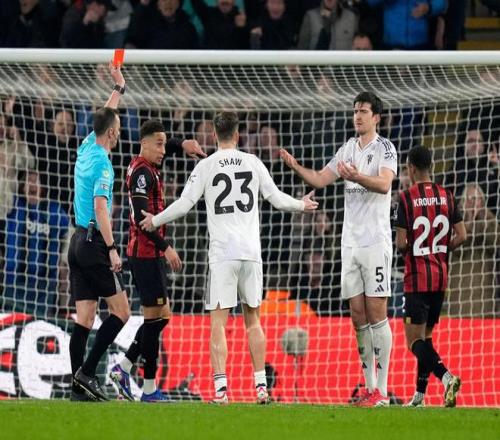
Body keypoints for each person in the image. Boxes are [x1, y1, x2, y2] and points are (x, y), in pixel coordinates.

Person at [140, 111, 318, 404]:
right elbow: (276, 198)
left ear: (214, 135)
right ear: (237, 135)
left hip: (223, 255)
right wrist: (302, 204)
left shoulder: (206, 165)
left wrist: (155, 220)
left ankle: (221, 391)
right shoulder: (253, 161)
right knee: (253, 321)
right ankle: (261, 388)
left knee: (218, 324)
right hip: (250, 253)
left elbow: (184, 204)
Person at [280, 91, 397, 406]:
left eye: (363, 111)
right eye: (355, 110)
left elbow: (385, 184)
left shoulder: (385, 148)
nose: (357, 115)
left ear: (376, 117)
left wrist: (357, 176)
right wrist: (295, 166)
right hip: (350, 244)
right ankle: (369, 387)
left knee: (377, 312)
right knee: (357, 314)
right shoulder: (347, 148)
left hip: (375, 242)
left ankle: (383, 391)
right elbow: (320, 179)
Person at [109, 119, 205, 402]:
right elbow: (143, 222)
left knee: (161, 318)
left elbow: (167, 144)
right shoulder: (141, 173)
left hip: (149, 255)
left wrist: (182, 144)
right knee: (155, 320)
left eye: (165, 144)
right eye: (159, 145)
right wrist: (167, 248)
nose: (164, 150)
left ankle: (125, 367)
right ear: (145, 144)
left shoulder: (146, 165)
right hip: (146, 255)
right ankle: (148, 387)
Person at [67, 63, 130, 402]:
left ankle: (78, 390)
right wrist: (113, 247)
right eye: (117, 129)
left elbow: (105, 115)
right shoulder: (104, 165)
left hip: (76, 241)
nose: (118, 132)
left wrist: (118, 88)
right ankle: (87, 373)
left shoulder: (87, 146)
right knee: (122, 312)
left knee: (85, 318)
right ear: (111, 133)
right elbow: (101, 208)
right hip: (94, 243)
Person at [394, 146, 467, 408]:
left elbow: (401, 244)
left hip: (417, 279)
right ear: (430, 166)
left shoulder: (406, 198)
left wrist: (414, 250)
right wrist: (441, 250)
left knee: (413, 341)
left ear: (411, 168)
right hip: (440, 278)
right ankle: (420, 395)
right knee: (426, 337)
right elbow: (463, 235)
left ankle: (447, 378)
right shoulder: (447, 196)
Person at [2, 170, 69, 317]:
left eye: (35, 180)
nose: (32, 184)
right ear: (22, 187)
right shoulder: (14, 205)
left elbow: (70, 232)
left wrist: (64, 260)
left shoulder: (53, 210)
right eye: (28, 181)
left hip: (44, 287)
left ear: (42, 187)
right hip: (15, 283)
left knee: (39, 327)